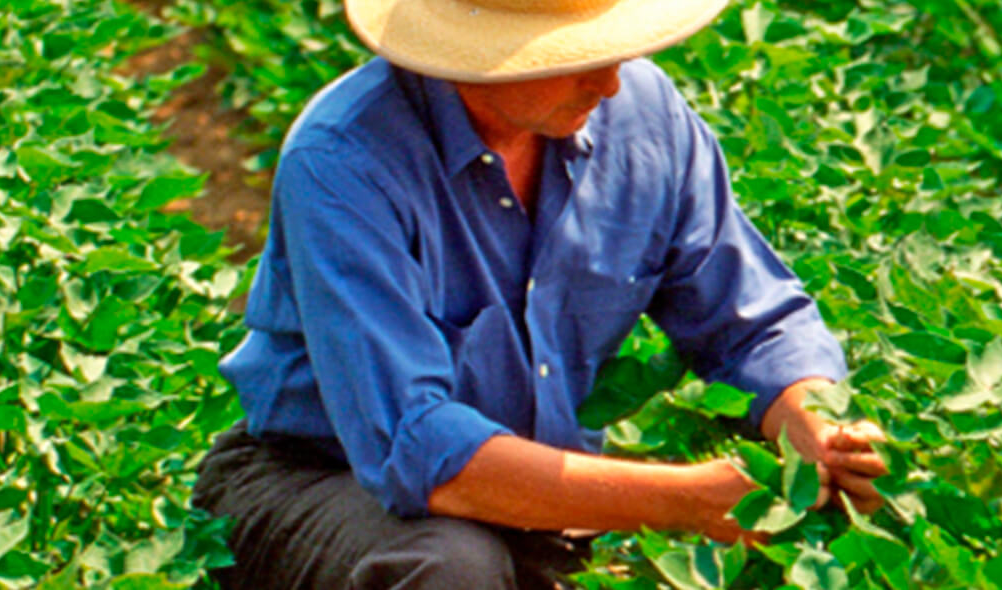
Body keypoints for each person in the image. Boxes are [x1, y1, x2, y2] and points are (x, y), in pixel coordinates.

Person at [187, 0, 888, 586]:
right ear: (475, 53)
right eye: (574, 57)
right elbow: (415, 448)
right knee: (452, 568)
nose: (609, 83)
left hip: (537, 496)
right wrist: (682, 500)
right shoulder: (346, 159)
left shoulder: (644, 119)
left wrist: (814, 424)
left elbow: (752, 323)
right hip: (319, 476)